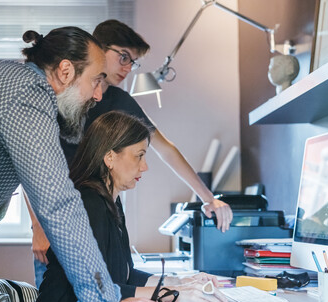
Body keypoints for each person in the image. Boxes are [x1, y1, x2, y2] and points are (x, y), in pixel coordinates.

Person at [0, 27, 161, 302]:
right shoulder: (28, 93)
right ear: (66, 71)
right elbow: (57, 202)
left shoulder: (11, 83)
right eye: (95, 80)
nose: (96, 96)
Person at [30, 20, 234, 286]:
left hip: (103, 213)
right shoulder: (59, 97)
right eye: (123, 57)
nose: (127, 68)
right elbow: (31, 165)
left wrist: (209, 198)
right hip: (57, 218)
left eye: (133, 62)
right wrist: (38, 227)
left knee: (113, 290)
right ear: (97, 50)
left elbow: (165, 149)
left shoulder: (119, 101)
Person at [36, 111, 228, 302]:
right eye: (139, 155)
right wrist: (176, 295)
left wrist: (180, 282)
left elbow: (127, 276)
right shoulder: (88, 203)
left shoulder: (112, 201)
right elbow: (99, 288)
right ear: (110, 157)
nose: (144, 167)